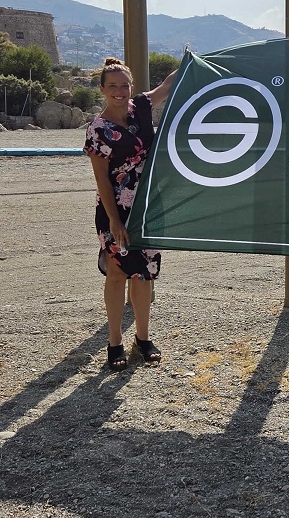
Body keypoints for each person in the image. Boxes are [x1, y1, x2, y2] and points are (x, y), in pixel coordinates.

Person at [84, 57, 178, 370]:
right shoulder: (98, 130)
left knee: (144, 273)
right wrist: (114, 220)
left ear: (131, 86)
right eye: (112, 86)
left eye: (124, 85)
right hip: (115, 210)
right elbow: (102, 180)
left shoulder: (141, 108)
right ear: (102, 89)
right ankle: (114, 342)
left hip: (149, 205)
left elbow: (169, 84)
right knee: (116, 274)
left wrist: (197, 62)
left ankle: (143, 339)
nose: (119, 91)